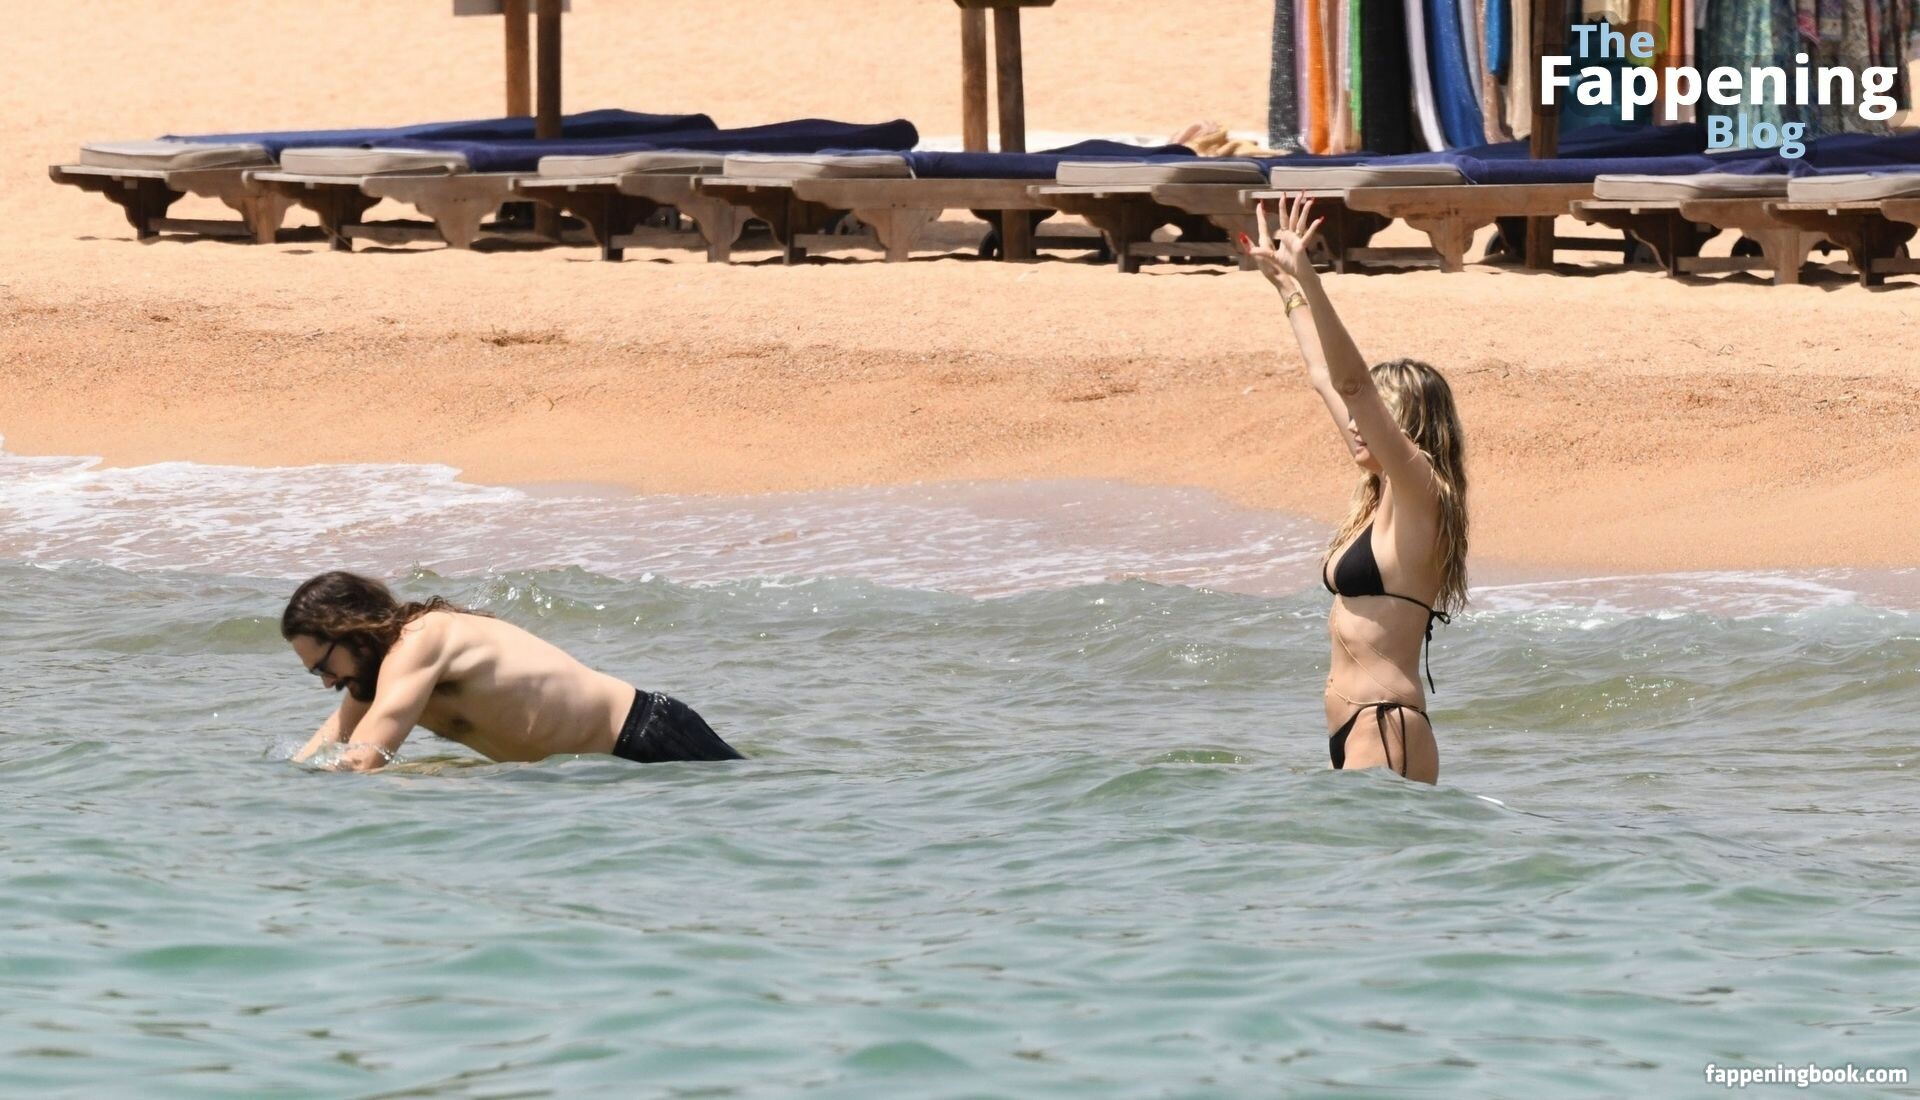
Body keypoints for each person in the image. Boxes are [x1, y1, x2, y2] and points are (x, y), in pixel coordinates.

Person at [1239, 196, 1468, 784]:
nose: (1355, 425)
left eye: (1375, 418)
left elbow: (1353, 386)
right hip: (1353, 729)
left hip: (1385, 724)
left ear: (1411, 427)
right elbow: (1327, 379)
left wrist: (1312, 280)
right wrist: (1286, 288)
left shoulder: (1420, 492)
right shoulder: (1380, 491)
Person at [282, 571, 743, 771]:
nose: (327, 682)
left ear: (354, 630)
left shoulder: (422, 640)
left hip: (648, 738)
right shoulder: (375, 680)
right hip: (595, 775)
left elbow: (364, 758)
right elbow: (318, 754)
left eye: (324, 666)